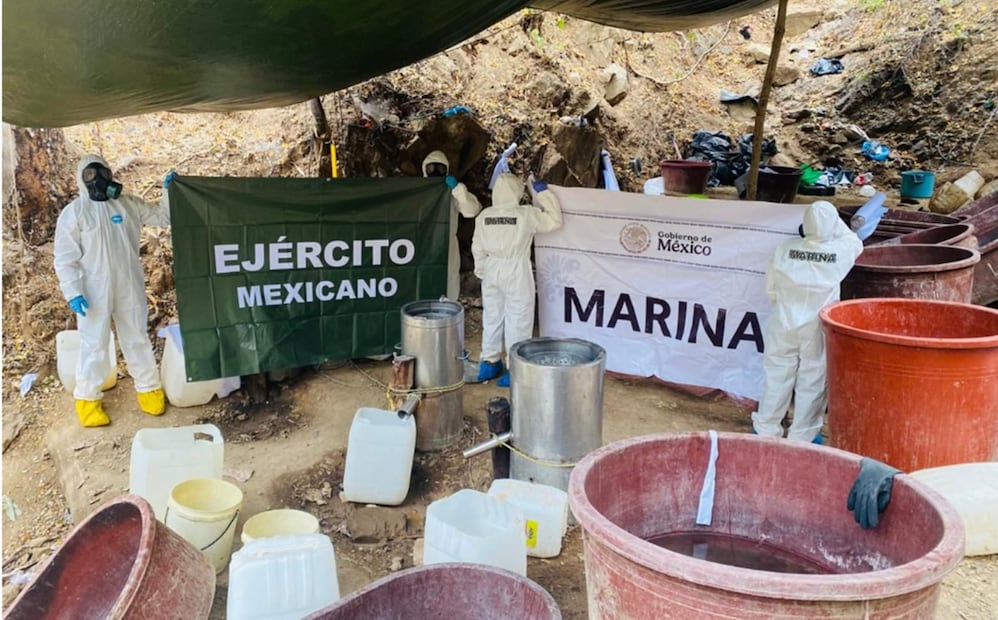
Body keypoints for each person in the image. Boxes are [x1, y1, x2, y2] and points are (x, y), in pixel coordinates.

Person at [54, 154, 173, 427]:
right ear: (81, 179)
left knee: (137, 338)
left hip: (128, 284)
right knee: (94, 344)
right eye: (89, 175)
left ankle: (149, 390)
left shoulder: (127, 204)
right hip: (92, 290)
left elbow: (163, 217)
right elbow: (64, 257)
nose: (97, 180)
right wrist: (72, 291)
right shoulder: (75, 213)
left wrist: (169, 191)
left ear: (109, 174)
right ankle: (87, 400)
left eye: (101, 172)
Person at [752, 200, 863, 443]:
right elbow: (855, 241)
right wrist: (836, 227)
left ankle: (766, 428)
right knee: (812, 377)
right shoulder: (840, 252)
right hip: (815, 324)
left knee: (777, 373)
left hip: (783, 319)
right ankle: (803, 435)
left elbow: (770, 288)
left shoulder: (785, 248)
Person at [472, 173, 563, 387]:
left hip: (492, 268)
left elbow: (477, 247)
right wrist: (544, 195)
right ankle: (516, 369)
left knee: (492, 317)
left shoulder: (484, 216)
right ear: (517, 193)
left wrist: (482, 271)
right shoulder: (525, 215)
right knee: (518, 319)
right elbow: (554, 221)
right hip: (516, 269)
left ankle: (489, 362)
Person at [421, 151, 482, 301]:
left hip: (447, 245)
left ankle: (448, 317)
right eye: (431, 168)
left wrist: (458, 190)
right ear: (424, 169)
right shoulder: (417, 192)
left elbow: (472, 210)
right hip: (422, 245)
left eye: (440, 168)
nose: (435, 172)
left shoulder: (452, 192)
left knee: (448, 282)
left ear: (447, 170)